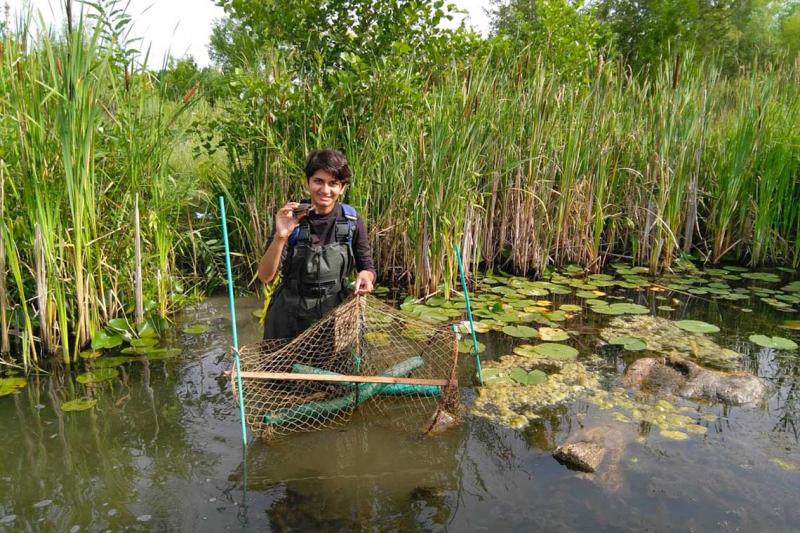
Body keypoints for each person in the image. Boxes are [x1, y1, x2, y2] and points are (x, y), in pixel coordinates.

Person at [257, 149, 376, 340]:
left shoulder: (352, 221)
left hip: (335, 316)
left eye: (333, 184)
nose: (325, 190)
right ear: (307, 182)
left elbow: (367, 267)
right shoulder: (289, 218)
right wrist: (281, 236)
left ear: (342, 188)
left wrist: (366, 277)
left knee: (335, 369)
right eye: (318, 181)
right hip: (287, 318)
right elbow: (265, 276)